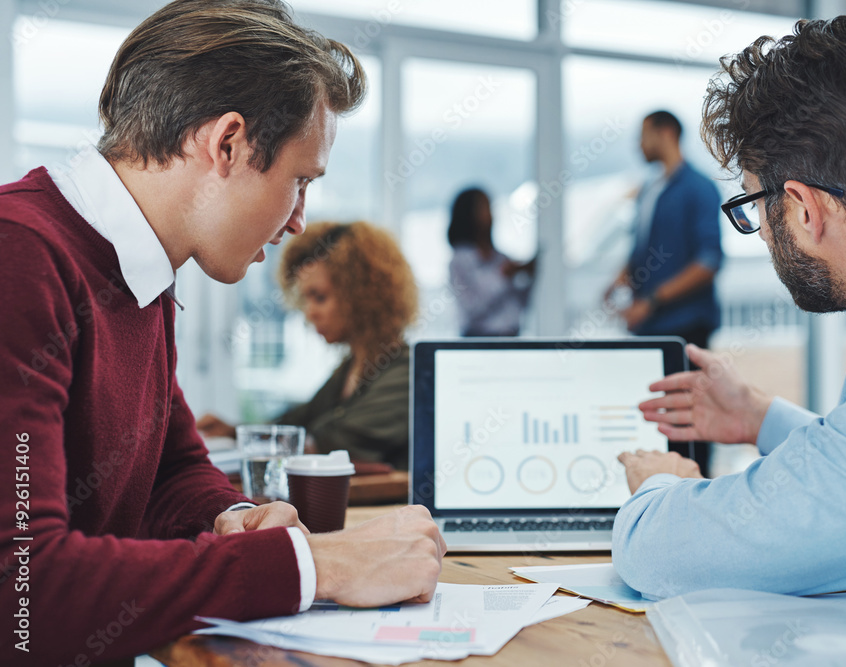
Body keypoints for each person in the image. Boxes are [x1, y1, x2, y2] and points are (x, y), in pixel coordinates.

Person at [0, 2, 443, 664]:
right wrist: (313, 565)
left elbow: (169, 471)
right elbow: (22, 596)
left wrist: (228, 515)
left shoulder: (138, 272)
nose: (298, 220)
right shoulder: (21, 257)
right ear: (228, 143)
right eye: (299, 181)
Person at [613, 15, 846, 601]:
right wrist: (758, 416)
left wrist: (657, 489)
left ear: (801, 208)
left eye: (752, 205)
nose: (761, 233)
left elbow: (667, 556)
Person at [198, 222, 417, 470]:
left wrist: (243, 437)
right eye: (306, 299)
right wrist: (233, 432)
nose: (309, 312)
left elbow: (328, 445)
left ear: (361, 295)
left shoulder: (407, 374)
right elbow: (298, 423)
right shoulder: (351, 368)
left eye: (320, 297)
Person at [605, 110, 723, 349]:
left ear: (666, 133)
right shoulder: (650, 190)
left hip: (685, 330)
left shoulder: (699, 188)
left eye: (644, 135)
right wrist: (622, 277)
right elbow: (646, 247)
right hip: (647, 327)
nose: (639, 144)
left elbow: (709, 262)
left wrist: (652, 301)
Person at [447, 187, 536, 336]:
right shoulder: (459, 262)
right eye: (483, 207)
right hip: (476, 341)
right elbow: (473, 307)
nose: (490, 214)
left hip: (511, 339)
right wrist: (503, 274)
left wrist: (528, 276)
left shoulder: (502, 258)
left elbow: (520, 305)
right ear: (468, 214)